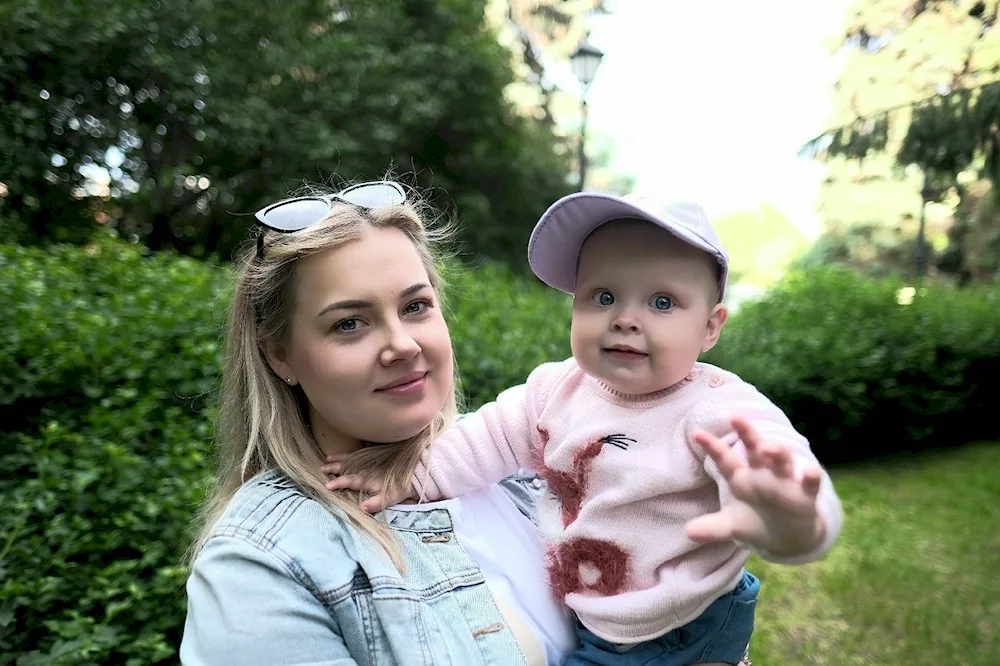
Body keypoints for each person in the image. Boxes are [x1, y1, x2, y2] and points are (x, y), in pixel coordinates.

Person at [325, 191, 844, 666]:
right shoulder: (555, 392)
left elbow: (780, 463)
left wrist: (790, 520)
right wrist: (406, 478)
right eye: (602, 296)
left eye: (662, 302)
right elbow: (481, 442)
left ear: (710, 327)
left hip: (682, 623)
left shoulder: (717, 408)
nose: (625, 318)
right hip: (603, 616)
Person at [179, 180, 577, 665]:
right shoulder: (262, 565)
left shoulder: (527, 464)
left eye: (415, 307)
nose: (404, 345)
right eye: (350, 323)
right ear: (279, 354)